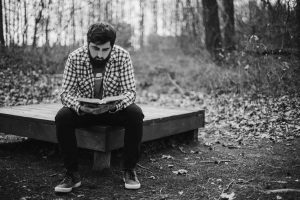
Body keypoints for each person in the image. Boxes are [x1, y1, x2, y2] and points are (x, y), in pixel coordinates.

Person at [54, 22, 144, 193]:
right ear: (88, 43)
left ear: (112, 46)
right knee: (62, 116)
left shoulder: (122, 56)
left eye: (105, 50)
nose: (100, 54)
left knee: (135, 113)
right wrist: (80, 108)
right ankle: (72, 174)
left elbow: (130, 92)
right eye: (95, 49)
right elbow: (66, 93)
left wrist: (115, 105)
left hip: (112, 110)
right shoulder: (75, 57)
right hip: (85, 110)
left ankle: (129, 169)